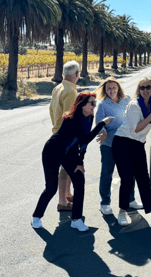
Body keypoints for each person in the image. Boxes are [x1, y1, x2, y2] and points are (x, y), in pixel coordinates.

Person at [32, 91, 114, 231]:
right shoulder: (71, 120)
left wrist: (80, 163)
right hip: (52, 151)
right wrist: (101, 124)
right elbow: (85, 138)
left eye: (95, 103)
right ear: (82, 105)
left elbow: (83, 145)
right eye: (92, 103)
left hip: (68, 153)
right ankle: (36, 217)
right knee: (51, 188)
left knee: (79, 180)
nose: (94, 106)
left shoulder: (89, 117)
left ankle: (76, 219)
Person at [112, 76, 151, 228]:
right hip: (123, 143)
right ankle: (122, 212)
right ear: (138, 90)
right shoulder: (135, 105)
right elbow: (137, 128)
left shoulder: (149, 102)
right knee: (127, 179)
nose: (145, 90)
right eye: (142, 88)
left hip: (137, 145)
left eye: (148, 87)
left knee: (143, 180)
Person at [95, 77, 142, 216]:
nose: (111, 90)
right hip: (109, 145)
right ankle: (105, 203)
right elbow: (99, 123)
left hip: (127, 142)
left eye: (114, 87)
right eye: (108, 88)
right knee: (107, 173)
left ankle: (131, 199)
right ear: (105, 90)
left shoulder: (127, 100)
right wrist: (102, 132)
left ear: (118, 88)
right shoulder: (103, 105)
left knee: (129, 173)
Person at [49, 60, 79, 211]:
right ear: (77, 74)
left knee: (67, 167)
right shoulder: (71, 92)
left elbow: (51, 110)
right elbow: (69, 118)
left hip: (57, 131)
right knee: (65, 168)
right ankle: (62, 202)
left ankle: (67, 194)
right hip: (66, 135)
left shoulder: (58, 88)